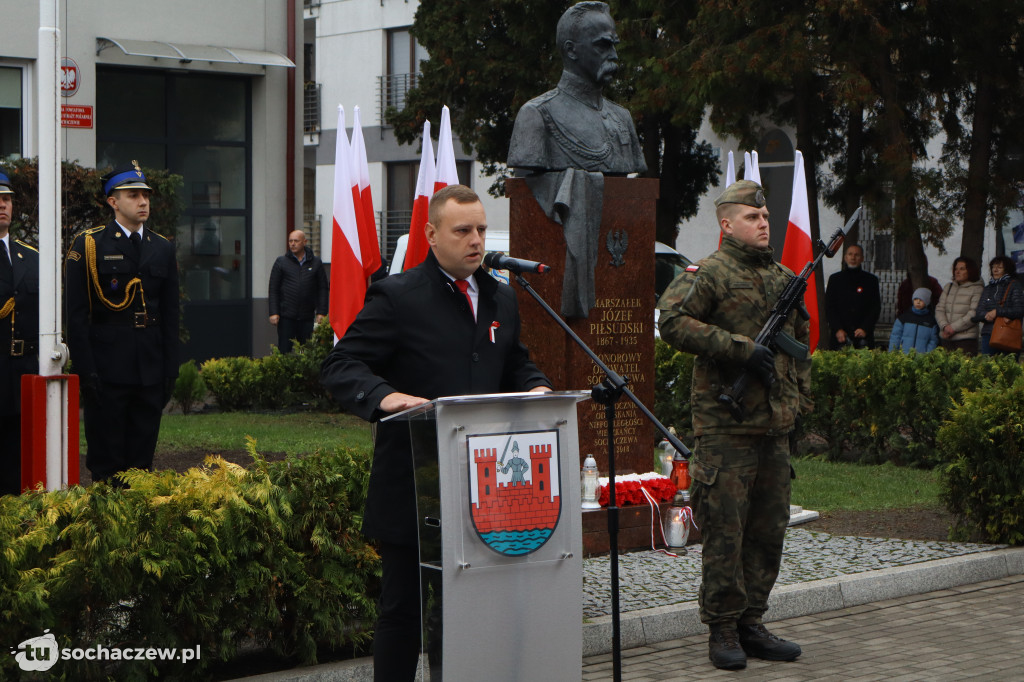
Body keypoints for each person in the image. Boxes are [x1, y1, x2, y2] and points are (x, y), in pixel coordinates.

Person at [319, 184, 551, 681]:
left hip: (484, 490)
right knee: (404, 611)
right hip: (415, 481)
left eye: (482, 229)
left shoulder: (501, 297)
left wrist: (538, 391)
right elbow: (343, 363)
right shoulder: (399, 296)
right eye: (462, 230)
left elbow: (516, 364)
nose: (475, 240)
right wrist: (386, 396)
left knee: (468, 610)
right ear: (431, 234)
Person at [657, 180, 812, 671]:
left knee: (768, 531)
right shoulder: (709, 273)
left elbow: (801, 342)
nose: (763, 223)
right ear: (727, 224)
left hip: (774, 429)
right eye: (752, 216)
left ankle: (752, 622)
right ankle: (722, 628)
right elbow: (672, 320)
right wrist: (738, 347)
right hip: (725, 428)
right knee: (725, 532)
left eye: (765, 216)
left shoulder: (784, 275)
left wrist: (798, 400)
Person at [64, 161, 179, 484]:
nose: (143, 202)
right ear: (112, 201)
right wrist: (86, 372)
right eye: (133, 195)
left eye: (145, 195)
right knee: (107, 460)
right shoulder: (90, 245)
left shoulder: (161, 247)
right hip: (107, 368)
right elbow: (77, 314)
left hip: (150, 366)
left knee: (142, 460)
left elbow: (171, 313)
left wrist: (171, 368)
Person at [507, 1, 646, 175]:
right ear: (571, 50)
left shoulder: (622, 118)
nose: (614, 55)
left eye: (614, 46)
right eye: (603, 45)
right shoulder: (536, 115)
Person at [0, 170, 39, 495]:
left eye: (7, 199)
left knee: (21, 452)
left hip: (22, 370)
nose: (3, 206)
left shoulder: (32, 258)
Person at [268, 229, 328, 353]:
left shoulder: (316, 263)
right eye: (290, 241)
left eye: (296, 241)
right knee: (285, 351)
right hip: (286, 317)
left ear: (304, 242)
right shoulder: (281, 262)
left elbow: (322, 288)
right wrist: (274, 312)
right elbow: (273, 289)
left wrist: (321, 312)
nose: (292, 244)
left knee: (307, 351)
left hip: (307, 316)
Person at [824, 244, 881, 349]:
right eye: (850, 254)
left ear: (862, 258)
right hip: (840, 336)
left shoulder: (871, 280)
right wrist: (837, 329)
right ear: (845, 257)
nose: (853, 258)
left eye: (857, 255)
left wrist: (865, 328)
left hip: (863, 336)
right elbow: (829, 307)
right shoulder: (835, 279)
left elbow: (875, 307)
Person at [972, 255, 1024, 356]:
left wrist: (997, 312)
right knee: (987, 369)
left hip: (1007, 334)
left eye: (999, 267)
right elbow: (979, 311)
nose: (995, 270)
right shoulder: (988, 288)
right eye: (993, 267)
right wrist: (988, 315)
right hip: (988, 334)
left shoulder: (1014, 286)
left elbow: (1019, 310)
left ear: (1007, 269)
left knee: (1007, 368)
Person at [935, 257, 983, 354]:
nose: (957, 272)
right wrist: (944, 326)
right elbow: (940, 309)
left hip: (965, 340)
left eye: (962, 269)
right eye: (956, 269)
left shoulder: (977, 289)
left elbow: (974, 313)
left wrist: (953, 328)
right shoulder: (949, 287)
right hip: (946, 338)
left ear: (970, 271)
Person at [888, 288, 940, 354]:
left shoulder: (930, 321)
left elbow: (933, 341)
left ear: (927, 301)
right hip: (903, 356)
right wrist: (892, 353)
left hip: (921, 359)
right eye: (915, 299)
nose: (918, 302)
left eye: (921, 300)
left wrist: (927, 355)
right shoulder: (903, 318)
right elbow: (895, 337)